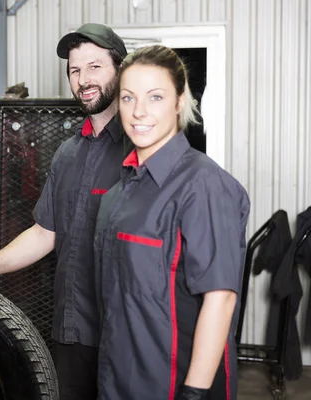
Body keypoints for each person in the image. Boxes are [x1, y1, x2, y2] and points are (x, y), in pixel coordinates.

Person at [0, 23, 130, 399]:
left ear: (120, 69)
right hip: (72, 331)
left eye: (95, 67)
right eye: (75, 70)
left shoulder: (141, 147)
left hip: (126, 333)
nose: (83, 80)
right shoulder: (68, 154)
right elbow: (44, 233)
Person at [93, 44, 250, 400]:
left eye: (156, 97)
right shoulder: (121, 191)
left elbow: (220, 298)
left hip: (174, 386)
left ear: (180, 102)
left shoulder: (203, 186)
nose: (139, 112)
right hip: (120, 380)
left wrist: (193, 393)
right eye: (129, 98)